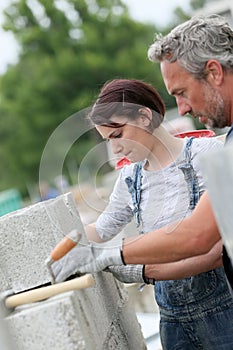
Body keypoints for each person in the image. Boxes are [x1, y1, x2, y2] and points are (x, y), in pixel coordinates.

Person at [50, 78, 233, 349]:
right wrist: (63, 244)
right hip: (171, 322)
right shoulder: (130, 177)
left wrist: (139, 270)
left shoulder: (206, 155)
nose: (115, 149)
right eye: (107, 141)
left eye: (117, 135)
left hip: (223, 315)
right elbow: (102, 229)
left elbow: (216, 252)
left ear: (145, 117)